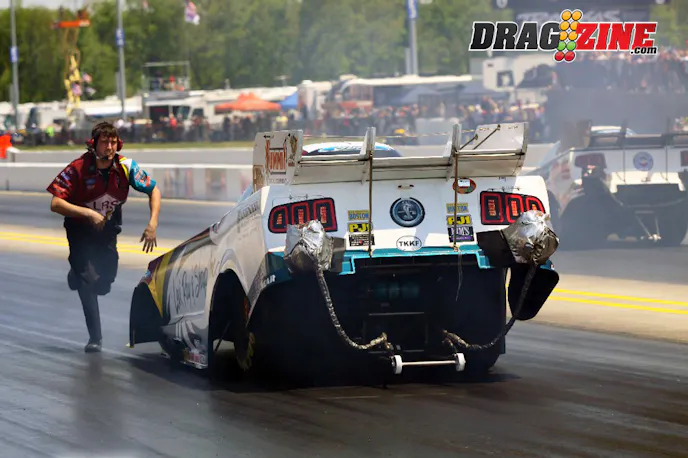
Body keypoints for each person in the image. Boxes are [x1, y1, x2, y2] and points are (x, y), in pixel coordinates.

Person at [47, 121, 161, 353]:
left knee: (104, 283)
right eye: (104, 142)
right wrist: (88, 213)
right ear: (93, 144)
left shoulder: (126, 167)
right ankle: (95, 337)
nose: (109, 147)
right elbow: (55, 203)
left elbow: (154, 190)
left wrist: (153, 223)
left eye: (113, 142)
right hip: (80, 230)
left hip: (108, 231)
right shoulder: (78, 168)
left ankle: (76, 274)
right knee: (87, 282)